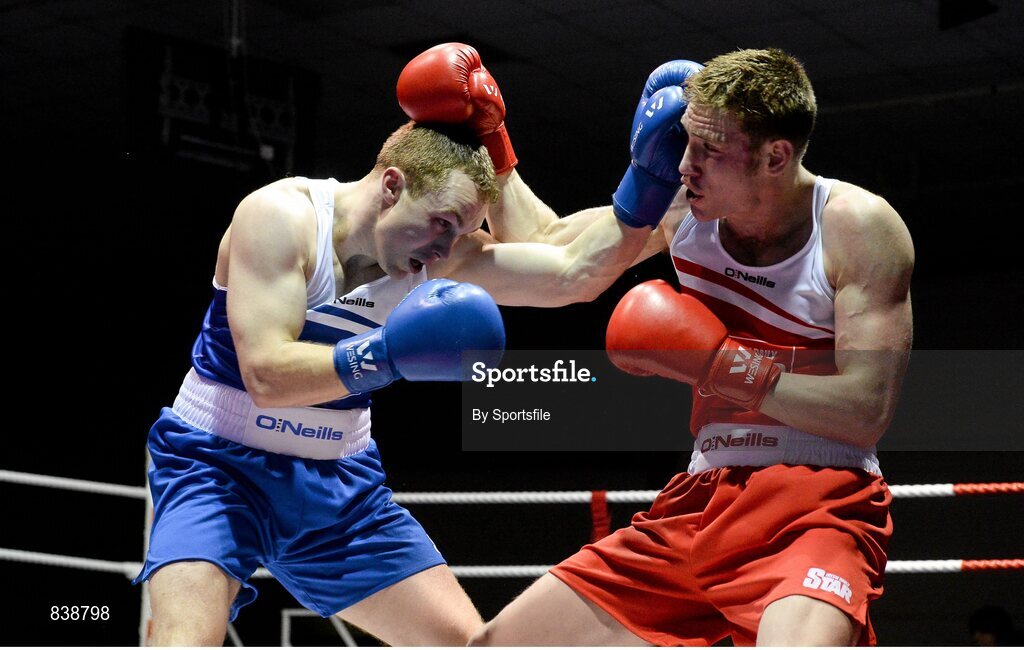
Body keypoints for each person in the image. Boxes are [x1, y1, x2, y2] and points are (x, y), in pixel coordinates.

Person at [134, 42, 684, 646]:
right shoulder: (281, 218)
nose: (446, 248)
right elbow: (266, 374)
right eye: (442, 222)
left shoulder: (437, 256)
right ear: (391, 186)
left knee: (471, 646)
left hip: (339, 482)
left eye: (463, 231)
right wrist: (389, 356)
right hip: (216, 465)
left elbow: (571, 271)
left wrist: (655, 191)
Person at [471, 48, 914, 646]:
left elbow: (866, 411)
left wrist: (720, 363)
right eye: (686, 141)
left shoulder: (857, 227)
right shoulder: (682, 213)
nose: (684, 164)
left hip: (818, 503)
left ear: (775, 156)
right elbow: (552, 249)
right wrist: (490, 138)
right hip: (700, 496)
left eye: (709, 148)